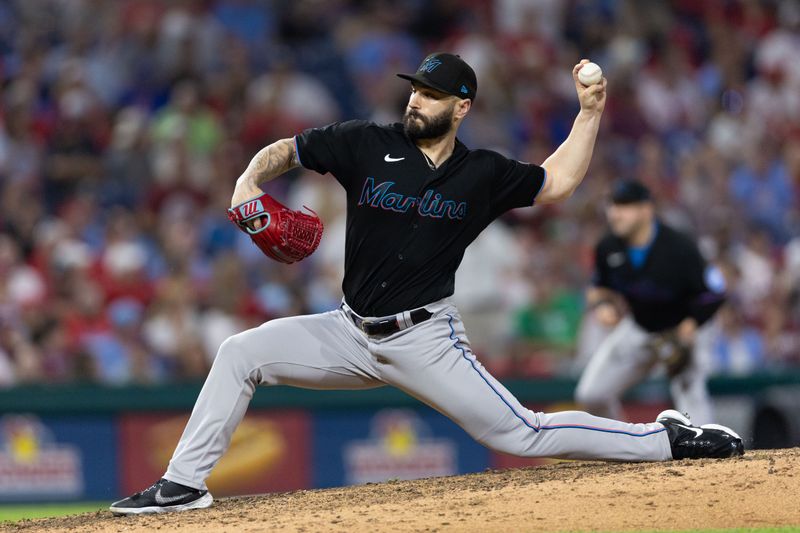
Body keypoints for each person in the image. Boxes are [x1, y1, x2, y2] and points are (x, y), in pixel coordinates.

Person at [110, 53, 742, 515]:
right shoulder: (365, 143)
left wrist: (590, 112)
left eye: (431, 94)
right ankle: (184, 484)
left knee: (522, 433)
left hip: (426, 338)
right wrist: (249, 182)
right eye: (414, 89)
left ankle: (665, 437)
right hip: (347, 331)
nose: (415, 100)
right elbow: (289, 149)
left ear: (460, 107)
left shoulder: (482, 173)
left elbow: (557, 183)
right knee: (239, 352)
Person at [575, 179, 726, 425]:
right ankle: (619, 445)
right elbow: (598, 287)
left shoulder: (679, 246)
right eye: (613, 206)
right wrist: (602, 306)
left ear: (646, 210)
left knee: (691, 398)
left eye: (624, 206)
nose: (615, 213)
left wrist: (689, 326)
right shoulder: (609, 246)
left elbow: (715, 292)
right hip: (641, 326)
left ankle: (706, 457)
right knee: (591, 394)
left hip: (684, 326)